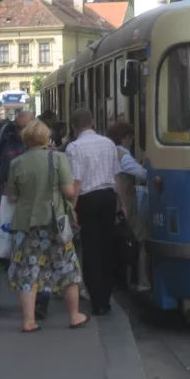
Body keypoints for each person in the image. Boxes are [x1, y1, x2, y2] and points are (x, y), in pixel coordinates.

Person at [6, 120, 88, 332]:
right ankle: (74, 316)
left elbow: (12, 197)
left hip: (26, 225)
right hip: (55, 224)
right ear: (46, 137)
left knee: (28, 272)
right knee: (67, 269)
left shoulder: (16, 163)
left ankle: (28, 321)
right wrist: (74, 190)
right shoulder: (58, 158)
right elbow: (69, 192)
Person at [65, 109, 121, 316]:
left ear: (74, 126)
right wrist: (121, 203)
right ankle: (106, 297)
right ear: (93, 122)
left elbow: (76, 182)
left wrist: (72, 209)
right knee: (107, 248)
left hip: (87, 200)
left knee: (90, 250)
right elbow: (117, 176)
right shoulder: (108, 143)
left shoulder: (73, 148)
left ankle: (97, 301)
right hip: (108, 197)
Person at [107, 121, 150, 291]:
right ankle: (143, 282)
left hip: (111, 203)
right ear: (125, 138)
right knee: (143, 238)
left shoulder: (110, 152)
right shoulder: (124, 156)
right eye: (131, 138)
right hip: (125, 204)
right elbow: (142, 174)